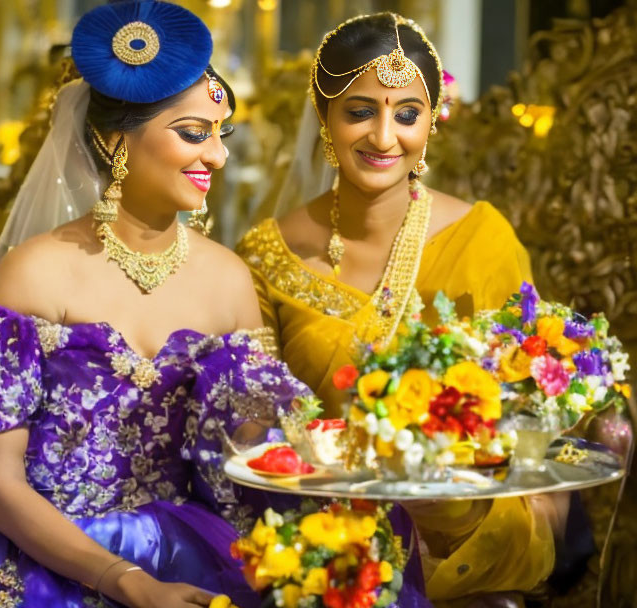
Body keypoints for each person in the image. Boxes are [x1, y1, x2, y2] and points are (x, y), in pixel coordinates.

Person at [0, 2, 317, 607]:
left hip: (193, 551)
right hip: (41, 556)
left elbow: (247, 467)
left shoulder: (230, 280)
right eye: (193, 134)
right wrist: (122, 580)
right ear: (114, 142)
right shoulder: (32, 274)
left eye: (220, 135)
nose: (218, 157)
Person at [235, 13, 565, 604]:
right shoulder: (267, 253)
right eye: (360, 111)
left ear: (430, 123)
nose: (384, 138)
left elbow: (524, 416)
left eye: (407, 114)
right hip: (315, 528)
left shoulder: (482, 239)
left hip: (460, 518)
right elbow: (255, 426)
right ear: (324, 117)